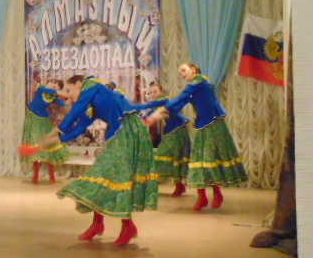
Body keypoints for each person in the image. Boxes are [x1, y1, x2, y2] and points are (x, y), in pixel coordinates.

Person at [26, 75, 160, 247]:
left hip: (128, 129)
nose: (69, 95)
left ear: (79, 84)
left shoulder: (90, 85)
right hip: (119, 132)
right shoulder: (91, 100)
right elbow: (77, 128)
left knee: (119, 178)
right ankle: (99, 223)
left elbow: (73, 113)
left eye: (69, 90)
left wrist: (48, 137)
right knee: (100, 177)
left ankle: (127, 226)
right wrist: (49, 140)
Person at [160, 63, 247, 211]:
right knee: (198, 161)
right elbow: (182, 102)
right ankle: (202, 196)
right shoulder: (195, 86)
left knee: (210, 158)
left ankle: (216, 193)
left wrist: (163, 109)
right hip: (201, 125)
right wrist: (166, 112)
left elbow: (182, 97)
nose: (182, 74)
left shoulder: (199, 82)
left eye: (184, 70)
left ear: (194, 70)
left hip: (213, 124)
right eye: (180, 72)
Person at [134, 83, 191, 197]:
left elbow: (151, 114)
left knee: (164, 156)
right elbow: (150, 114)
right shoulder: (161, 102)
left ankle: (155, 186)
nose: (153, 94)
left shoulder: (163, 100)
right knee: (173, 157)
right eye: (151, 92)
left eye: (155, 92)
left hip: (177, 131)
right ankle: (179, 185)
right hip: (174, 130)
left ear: (161, 92)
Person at [20, 80, 70, 184]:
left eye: (56, 86)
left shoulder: (53, 96)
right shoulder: (42, 88)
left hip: (44, 121)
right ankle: (35, 176)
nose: (53, 86)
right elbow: (51, 91)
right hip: (33, 119)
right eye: (53, 84)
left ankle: (52, 176)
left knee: (49, 147)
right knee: (34, 145)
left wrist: (72, 98)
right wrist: (62, 93)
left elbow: (62, 104)